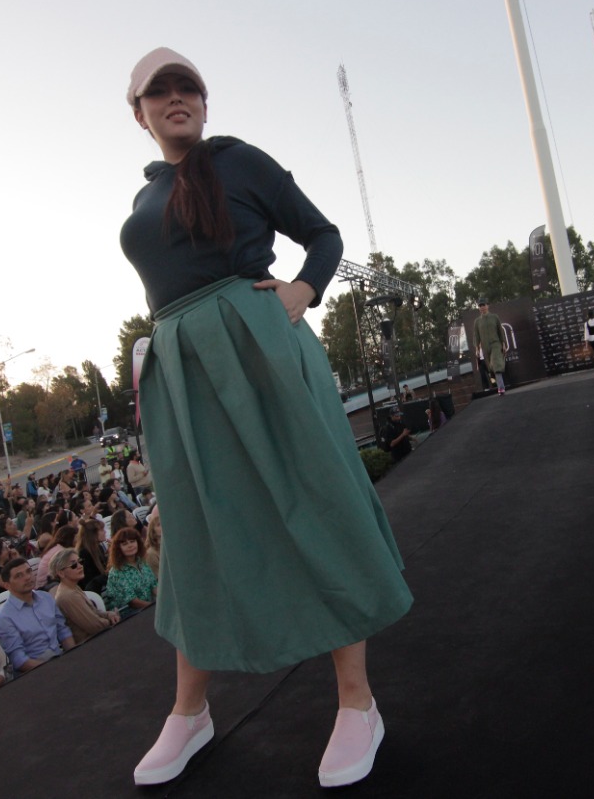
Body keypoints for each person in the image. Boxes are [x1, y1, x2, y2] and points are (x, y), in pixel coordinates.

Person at [121, 48, 410, 788]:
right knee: (194, 533)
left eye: (189, 86)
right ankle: (190, 712)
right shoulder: (145, 197)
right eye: (161, 90)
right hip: (184, 371)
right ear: (139, 110)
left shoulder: (238, 162)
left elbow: (325, 234)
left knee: (315, 501)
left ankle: (357, 702)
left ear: (206, 104)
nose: (177, 96)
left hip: (258, 351)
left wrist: (303, 292)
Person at [0, 558, 75, 673]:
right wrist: (55, 670)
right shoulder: (3, 619)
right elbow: (19, 661)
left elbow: (63, 631)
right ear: (7, 585)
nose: (27, 577)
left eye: (29, 571)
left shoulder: (45, 598)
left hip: (60, 659)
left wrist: (74, 656)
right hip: (34, 672)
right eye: (19, 576)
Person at [50, 548, 121, 644]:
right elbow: (94, 626)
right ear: (61, 573)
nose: (80, 566)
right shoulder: (67, 596)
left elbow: (94, 612)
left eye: (80, 562)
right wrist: (111, 620)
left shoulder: (73, 587)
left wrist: (109, 614)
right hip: (91, 644)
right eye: (74, 565)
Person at [104, 528, 157, 612]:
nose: (130, 545)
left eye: (132, 541)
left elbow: (154, 587)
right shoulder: (117, 572)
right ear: (118, 548)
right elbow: (133, 602)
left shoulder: (142, 562)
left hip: (149, 608)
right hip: (129, 615)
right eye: (125, 544)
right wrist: (156, 608)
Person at [472, 298, 508, 394]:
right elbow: (476, 336)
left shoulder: (494, 317)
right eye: (480, 306)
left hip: (496, 344)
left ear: (487, 305)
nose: (482, 307)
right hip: (485, 346)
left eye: (483, 305)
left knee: (496, 364)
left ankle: (501, 387)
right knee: (491, 367)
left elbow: (500, 331)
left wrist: (503, 343)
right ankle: (497, 384)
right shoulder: (477, 321)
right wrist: (477, 349)